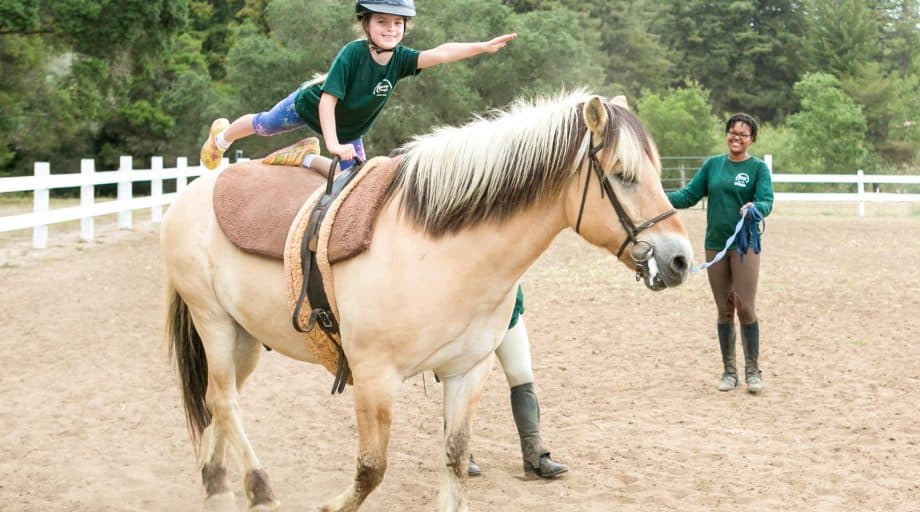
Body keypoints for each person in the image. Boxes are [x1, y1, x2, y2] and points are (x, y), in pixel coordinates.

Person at [199, 0, 517, 172]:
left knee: (352, 179)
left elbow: (442, 52)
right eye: (382, 22)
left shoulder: (401, 59)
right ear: (365, 24)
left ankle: (302, 157)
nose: (391, 29)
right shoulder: (353, 53)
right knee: (266, 124)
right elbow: (327, 102)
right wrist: (334, 144)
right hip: (308, 107)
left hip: (349, 132)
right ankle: (222, 137)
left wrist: (482, 46)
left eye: (397, 23)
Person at [666, 113, 774, 394]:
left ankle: (752, 369)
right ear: (726, 134)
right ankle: (729, 371)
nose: (736, 138)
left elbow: (767, 201)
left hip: (744, 245)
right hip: (715, 244)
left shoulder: (758, 169)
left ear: (752, 139)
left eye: (743, 134)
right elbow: (689, 195)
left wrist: (755, 208)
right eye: (732, 132)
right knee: (724, 309)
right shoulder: (713, 165)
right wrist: (658, 196)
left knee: (745, 306)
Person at [468, 286, 569, 479]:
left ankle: (534, 454)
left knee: (521, 375)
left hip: (507, 313)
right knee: (465, 384)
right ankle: (459, 450)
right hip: (469, 319)